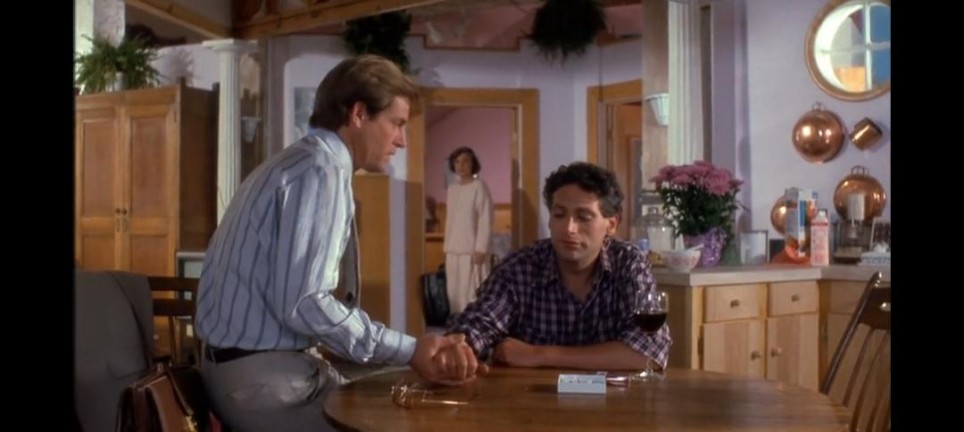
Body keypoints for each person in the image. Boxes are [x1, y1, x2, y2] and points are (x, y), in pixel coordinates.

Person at [195, 55, 482, 432]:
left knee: (398, 391)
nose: (401, 140)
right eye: (396, 124)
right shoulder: (321, 170)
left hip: (249, 370)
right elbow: (305, 303)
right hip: (262, 381)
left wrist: (410, 350)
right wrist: (411, 349)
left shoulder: (301, 161)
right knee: (408, 419)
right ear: (359, 114)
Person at [447, 162, 671, 371]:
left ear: (611, 225)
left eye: (583, 217)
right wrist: (458, 348)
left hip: (611, 398)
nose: (569, 228)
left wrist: (540, 354)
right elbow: (479, 324)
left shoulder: (627, 262)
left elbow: (649, 351)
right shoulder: (521, 266)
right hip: (530, 398)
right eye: (559, 214)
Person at [443, 146, 494, 315]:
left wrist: (481, 248)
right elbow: (450, 220)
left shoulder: (479, 187)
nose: (461, 165)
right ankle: (456, 322)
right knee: (454, 292)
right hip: (453, 249)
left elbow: (485, 218)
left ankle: (472, 323)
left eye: (465, 161)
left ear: (473, 164)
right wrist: (447, 247)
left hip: (472, 250)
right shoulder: (452, 189)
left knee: (471, 293)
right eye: (457, 162)